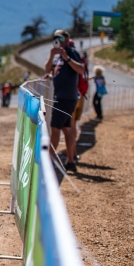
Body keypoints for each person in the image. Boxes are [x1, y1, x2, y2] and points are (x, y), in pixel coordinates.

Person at [44, 29, 85, 172]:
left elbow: (81, 70)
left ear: (67, 40)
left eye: (61, 38)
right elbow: (47, 69)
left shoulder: (71, 52)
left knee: (55, 129)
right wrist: (52, 55)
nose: (58, 41)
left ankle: (49, 160)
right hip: (62, 96)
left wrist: (66, 56)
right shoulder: (56, 55)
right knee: (67, 129)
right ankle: (71, 159)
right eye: (55, 38)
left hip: (65, 97)